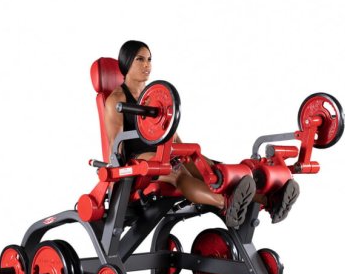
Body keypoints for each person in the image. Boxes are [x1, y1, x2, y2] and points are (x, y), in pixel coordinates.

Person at [104, 40, 298, 226]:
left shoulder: (155, 95)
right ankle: (225, 204)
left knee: (209, 168)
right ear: (127, 62)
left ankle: (269, 201)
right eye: (140, 59)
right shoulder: (116, 100)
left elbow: (171, 132)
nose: (147, 65)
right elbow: (116, 146)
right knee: (177, 172)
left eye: (149, 59)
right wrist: (124, 181)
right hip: (137, 159)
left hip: (163, 151)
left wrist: (187, 154)